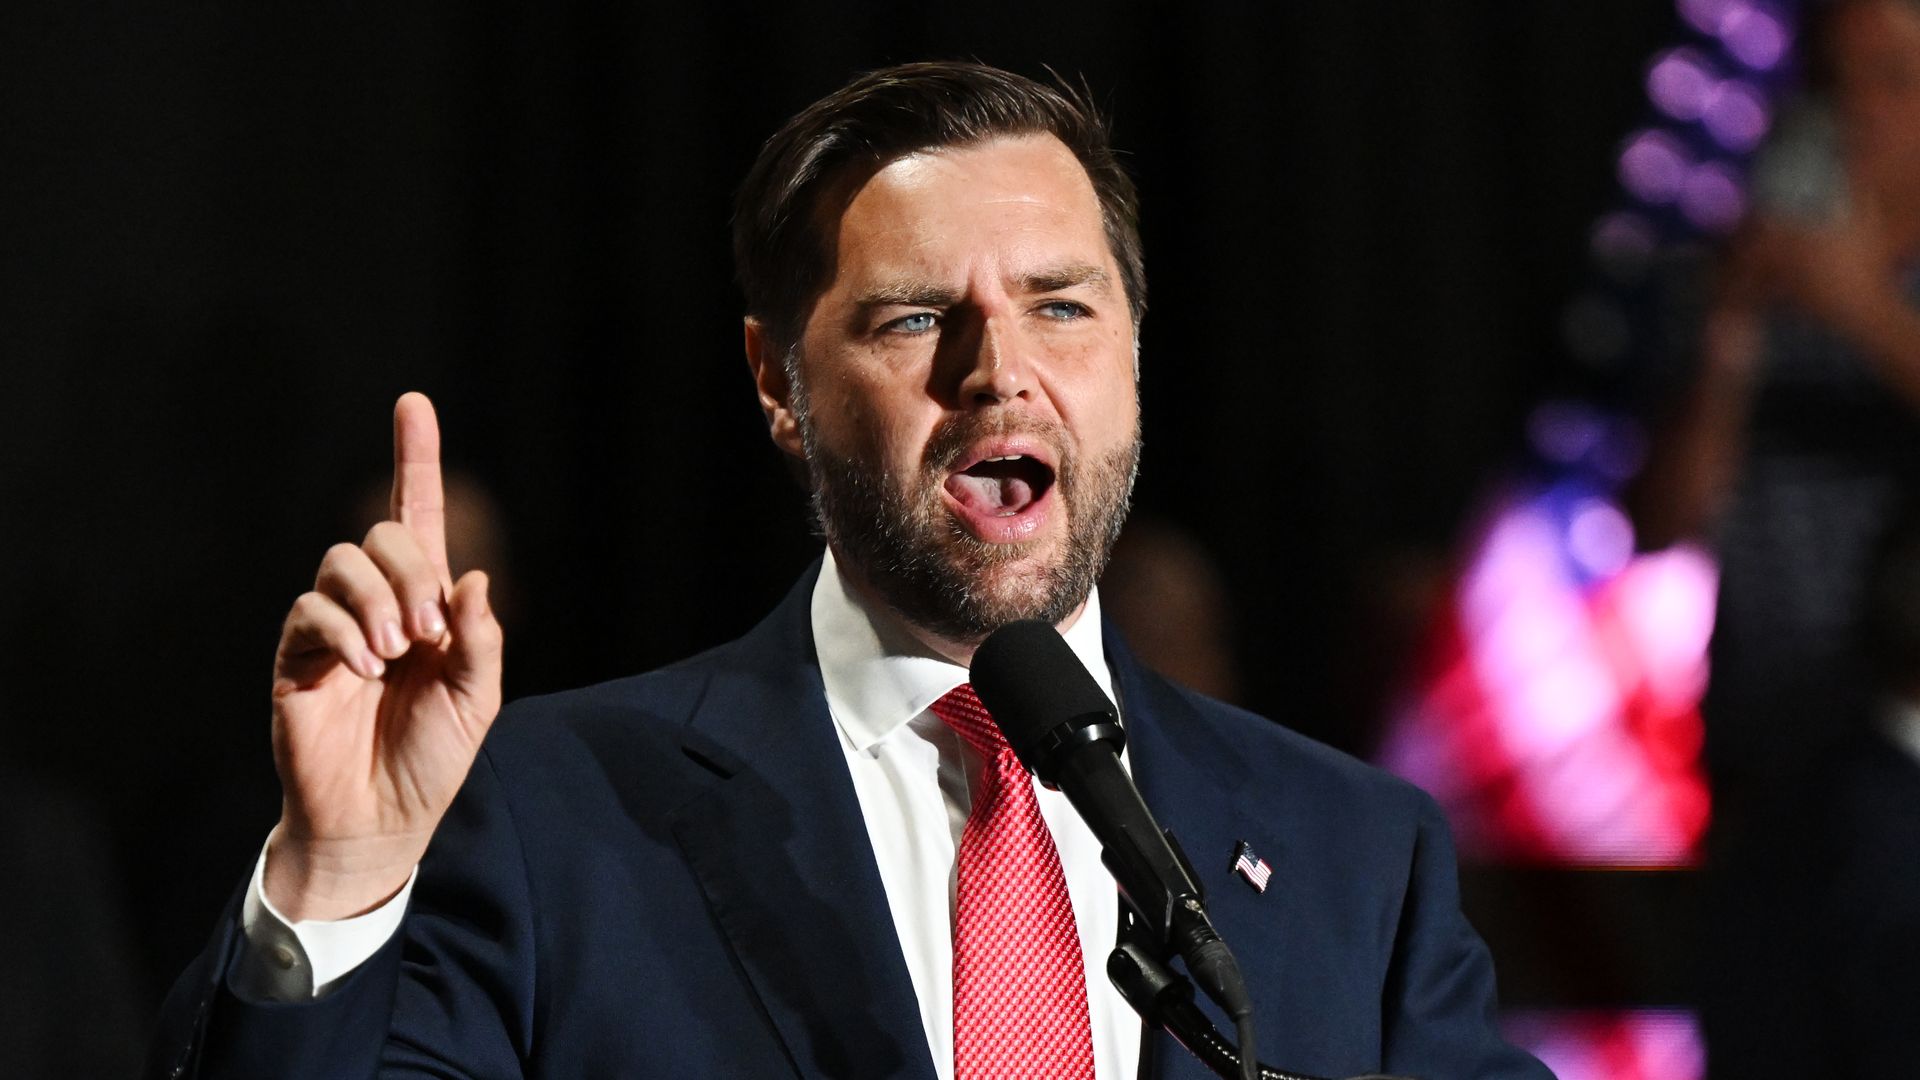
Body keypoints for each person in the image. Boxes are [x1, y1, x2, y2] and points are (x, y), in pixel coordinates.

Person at [145, 62, 1549, 1080]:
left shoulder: (1355, 855)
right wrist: (336, 880)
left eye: (1061, 305)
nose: (1001, 370)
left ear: (1130, 352)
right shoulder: (543, 815)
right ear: (777, 382)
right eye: (916, 317)